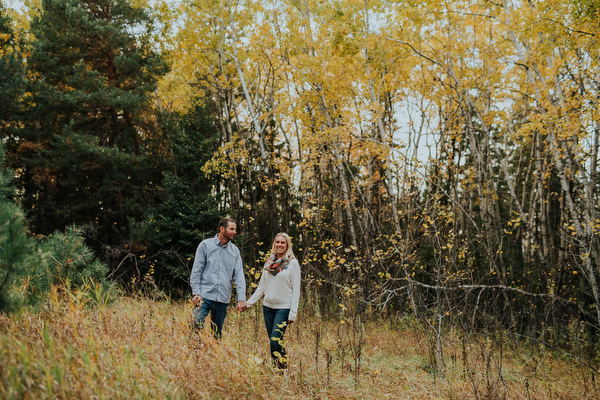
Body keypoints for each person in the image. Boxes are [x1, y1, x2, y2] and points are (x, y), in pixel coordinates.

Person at [245, 232, 301, 369]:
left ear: (287, 245)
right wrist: (248, 304)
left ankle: (283, 370)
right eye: (277, 242)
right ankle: (278, 371)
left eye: (282, 242)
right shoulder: (268, 264)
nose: (279, 245)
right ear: (274, 244)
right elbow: (261, 288)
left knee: (275, 342)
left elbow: (296, 290)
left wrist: (293, 313)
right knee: (273, 342)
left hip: (284, 308)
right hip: (268, 308)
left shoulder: (292, 263)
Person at [190, 217, 247, 339]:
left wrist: (241, 298)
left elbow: (239, 276)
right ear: (222, 229)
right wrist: (196, 292)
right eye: (231, 229)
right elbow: (196, 271)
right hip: (204, 296)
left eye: (235, 229)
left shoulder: (235, 251)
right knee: (195, 324)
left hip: (223, 298)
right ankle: (196, 354)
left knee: (216, 333)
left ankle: (214, 356)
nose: (234, 232)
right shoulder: (205, 245)